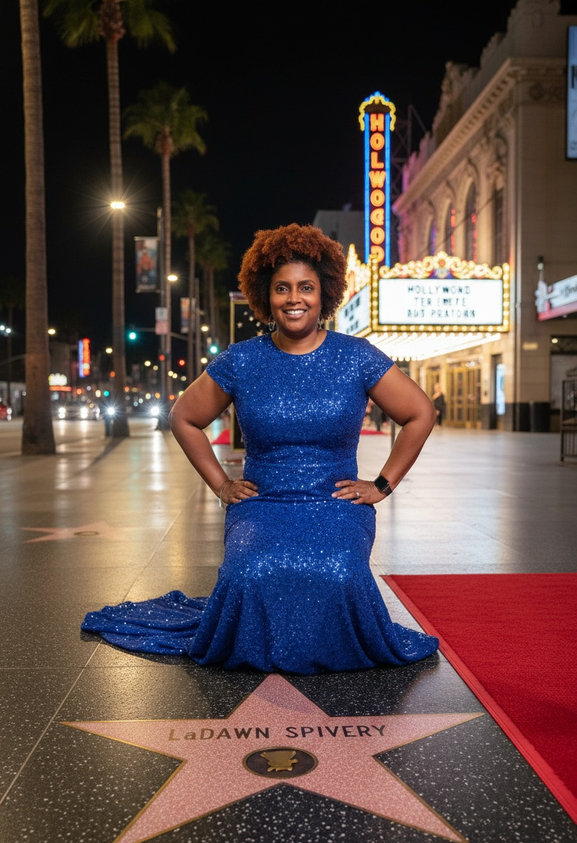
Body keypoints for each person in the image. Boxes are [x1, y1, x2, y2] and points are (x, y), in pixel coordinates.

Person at [81, 224, 439, 673]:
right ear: (264, 295)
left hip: (336, 501)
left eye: (306, 287)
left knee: (338, 572)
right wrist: (221, 485)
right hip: (261, 501)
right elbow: (184, 418)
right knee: (249, 572)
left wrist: (382, 485)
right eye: (282, 288)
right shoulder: (242, 359)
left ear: (324, 292)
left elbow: (420, 413)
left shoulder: (357, 355)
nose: (294, 298)